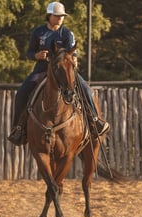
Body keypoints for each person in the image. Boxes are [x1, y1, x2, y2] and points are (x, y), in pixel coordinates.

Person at [8, 1, 110, 145]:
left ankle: (95, 120)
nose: (60, 18)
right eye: (57, 16)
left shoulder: (67, 33)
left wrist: (73, 60)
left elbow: (73, 52)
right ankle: (18, 128)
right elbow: (29, 52)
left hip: (63, 71)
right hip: (42, 70)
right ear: (49, 16)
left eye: (62, 16)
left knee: (86, 90)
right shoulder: (38, 32)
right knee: (21, 93)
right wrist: (36, 56)